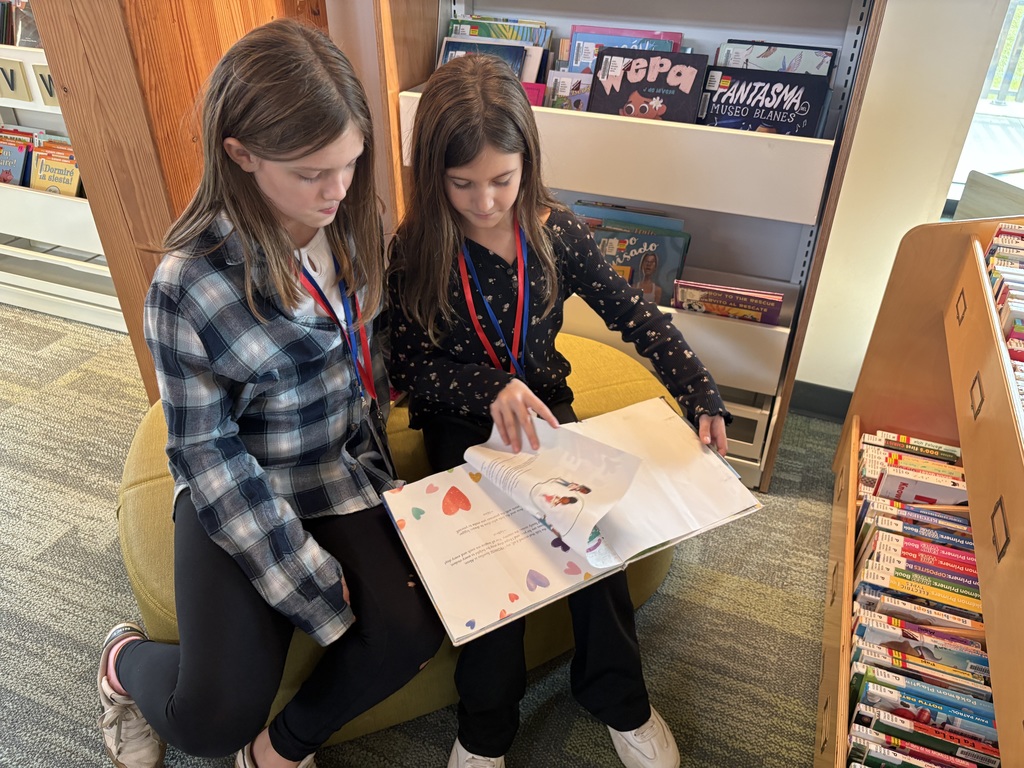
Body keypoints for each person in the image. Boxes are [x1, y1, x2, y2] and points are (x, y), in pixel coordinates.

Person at [96, 19, 443, 768]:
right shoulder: (187, 285)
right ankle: (121, 662)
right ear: (241, 154)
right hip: (242, 484)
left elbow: (376, 355)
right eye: (312, 172)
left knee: (413, 630)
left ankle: (277, 754)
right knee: (209, 722)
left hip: (336, 466)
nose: (338, 189)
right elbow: (206, 455)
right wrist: (309, 580)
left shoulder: (355, 221)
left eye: (349, 163)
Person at [387, 54, 730, 768]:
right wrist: (488, 390)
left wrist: (700, 391)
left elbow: (637, 315)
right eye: (463, 184)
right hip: (463, 429)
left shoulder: (555, 234)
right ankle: (486, 729)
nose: (485, 201)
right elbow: (410, 368)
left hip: (552, 422)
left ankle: (620, 701)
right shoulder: (415, 250)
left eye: (502, 180)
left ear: (527, 164)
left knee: (595, 548)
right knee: (496, 568)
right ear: (433, 176)